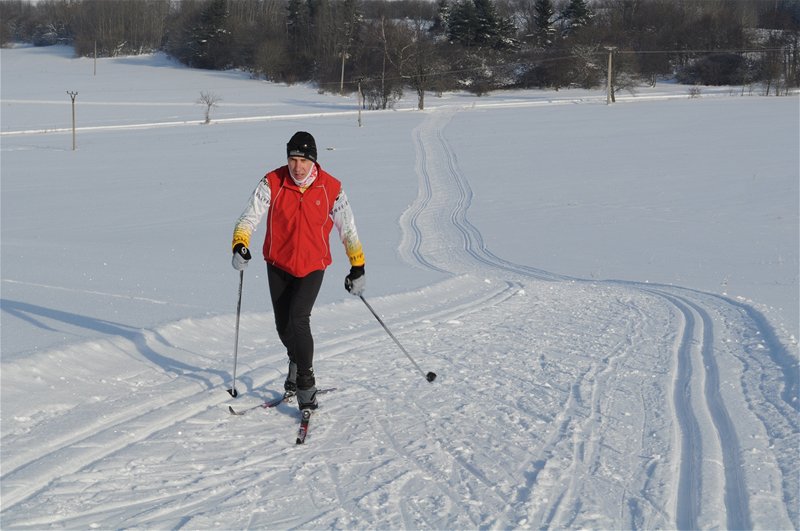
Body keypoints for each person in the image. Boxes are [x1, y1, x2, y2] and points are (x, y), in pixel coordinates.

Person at [231, 131, 365, 412]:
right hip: (278, 263)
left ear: (313, 161)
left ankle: (306, 383)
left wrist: (357, 265)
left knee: (298, 319)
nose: (297, 167)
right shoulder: (272, 182)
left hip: (312, 265)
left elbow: (347, 228)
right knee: (283, 327)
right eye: (292, 159)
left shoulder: (332, 188)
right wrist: (240, 244)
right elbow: (249, 216)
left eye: (303, 160)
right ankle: (296, 359)